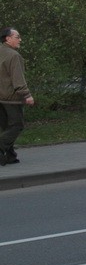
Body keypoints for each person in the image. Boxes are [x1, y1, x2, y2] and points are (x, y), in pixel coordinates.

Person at [0, 28, 35, 165]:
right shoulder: (14, 56)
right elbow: (18, 79)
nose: (20, 40)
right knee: (16, 125)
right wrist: (27, 95)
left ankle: (9, 156)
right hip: (11, 99)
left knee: (5, 128)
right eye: (17, 37)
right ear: (8, 38)